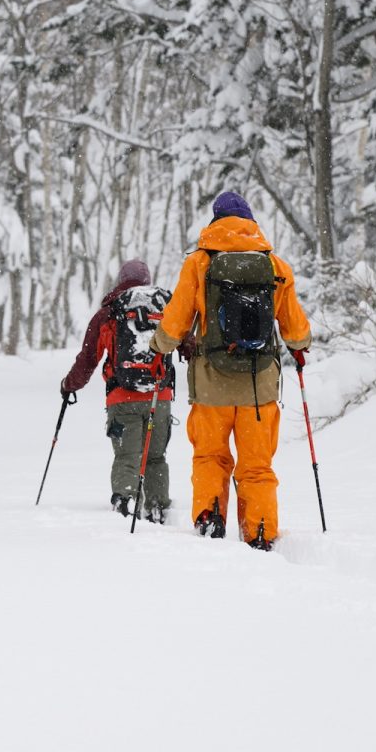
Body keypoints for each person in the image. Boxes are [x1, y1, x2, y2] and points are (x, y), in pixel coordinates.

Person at [149, 191, 311, 550]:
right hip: (259, 388)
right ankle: (260, 530)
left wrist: (158, 346)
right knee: (256, 465)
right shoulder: (274, 266)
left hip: (211, 387)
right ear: (251, 221)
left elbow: (175, 323)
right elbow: (296, 330)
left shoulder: (200, 263)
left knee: (210, 457)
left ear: (215, 221)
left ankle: (209, 519)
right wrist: (300, 347)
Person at [61, 260, 177, 523]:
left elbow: (88, 358)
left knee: (127, 455)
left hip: (122, 398)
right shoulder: (164, 307)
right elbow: (187, 344)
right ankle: (158, 507)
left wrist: (69, 385)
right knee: (156, 456)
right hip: (160, 397)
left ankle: (126, 502)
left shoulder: (110, 311)